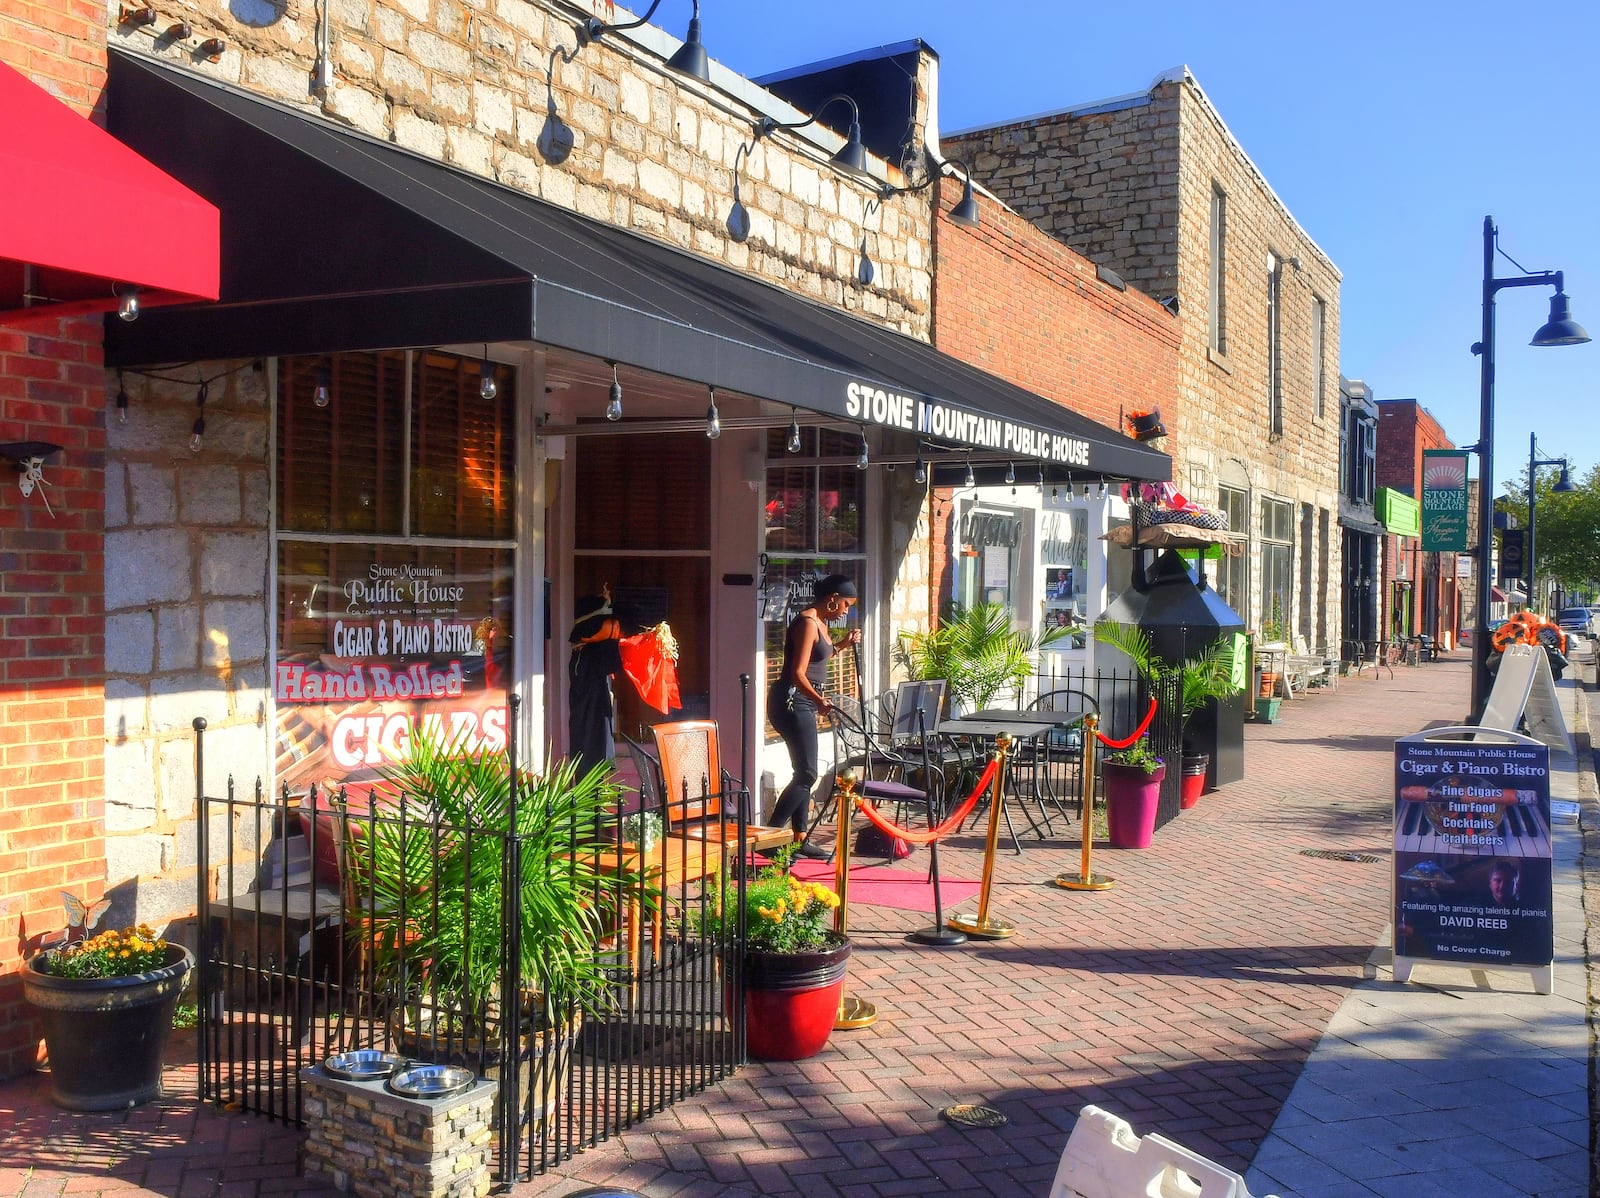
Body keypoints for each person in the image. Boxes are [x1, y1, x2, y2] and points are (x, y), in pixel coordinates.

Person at [767, 575, 861, 857]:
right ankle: (770, 838)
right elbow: (797, 672)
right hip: (793, 700)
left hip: (803, 699)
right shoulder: (807, 623)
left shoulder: (820, 622)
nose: (846, 611)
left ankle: (799, 838)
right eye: (845, 604)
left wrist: (842, 644)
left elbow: (820, 658)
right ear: (832, 598)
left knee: (802, 772)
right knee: (807, 772)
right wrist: (818, 699)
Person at [568, 591, 623, 779]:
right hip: (591, 748)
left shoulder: (587, 654)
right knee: (592, 788)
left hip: (595, 745)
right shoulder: (589, 655)